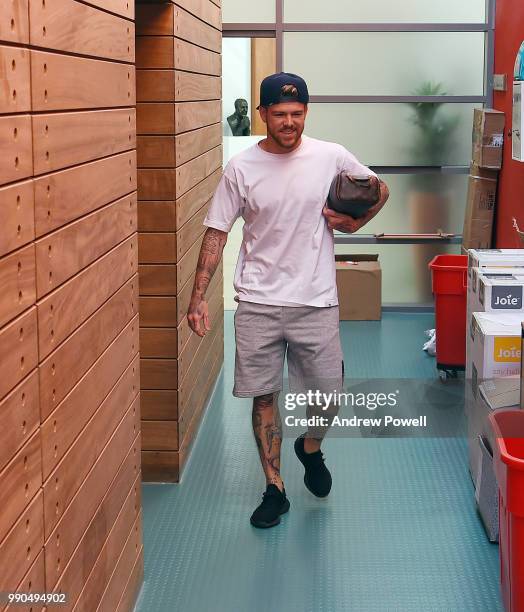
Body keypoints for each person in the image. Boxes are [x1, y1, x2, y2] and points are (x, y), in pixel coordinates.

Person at [187, 72, 389, 529]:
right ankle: (274, 487)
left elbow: (380, 188)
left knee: (328, 394)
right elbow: (217, 232)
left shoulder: (330, 156)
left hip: (316, 300)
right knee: (264, 397)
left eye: (297, 114)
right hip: (258, 301)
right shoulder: (241, 168)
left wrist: (358, 222)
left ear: (306, 113)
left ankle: (310, 447)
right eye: (279, 114)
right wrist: (198, 297)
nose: (289, 122)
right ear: (262, 115)